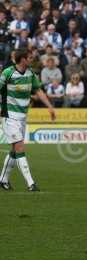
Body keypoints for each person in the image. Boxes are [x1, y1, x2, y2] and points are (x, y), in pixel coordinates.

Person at [0, 49, 56, 191]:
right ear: (23, 59)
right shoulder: (8, 73)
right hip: (9, 115)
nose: (32, 59)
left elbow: (38, 91)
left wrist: (49, 107)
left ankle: (3, 180)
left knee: (14, 150)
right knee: (19, 148)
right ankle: (31, 183)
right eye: (30, 57)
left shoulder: (31, 73)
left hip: (23, 116)